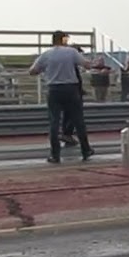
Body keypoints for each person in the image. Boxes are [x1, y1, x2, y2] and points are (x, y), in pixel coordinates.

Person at [30, 31, 95, 163]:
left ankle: (55, 154)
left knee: (54, 122)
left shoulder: (46, 54)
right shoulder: (71, 52)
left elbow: (32, 71)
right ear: (63, 39)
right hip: (71, 88)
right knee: (78, 121)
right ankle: (86, 149)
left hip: (54, 89)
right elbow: (87, 64)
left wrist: (46, 70)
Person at [61, 44, 86, 147]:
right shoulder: (72, 67)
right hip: (73, 92)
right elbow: (76, 80)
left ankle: (67, 134)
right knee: (74, 115)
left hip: (69, 91)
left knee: (68, 114)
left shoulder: (69, 66)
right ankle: (67, 134)